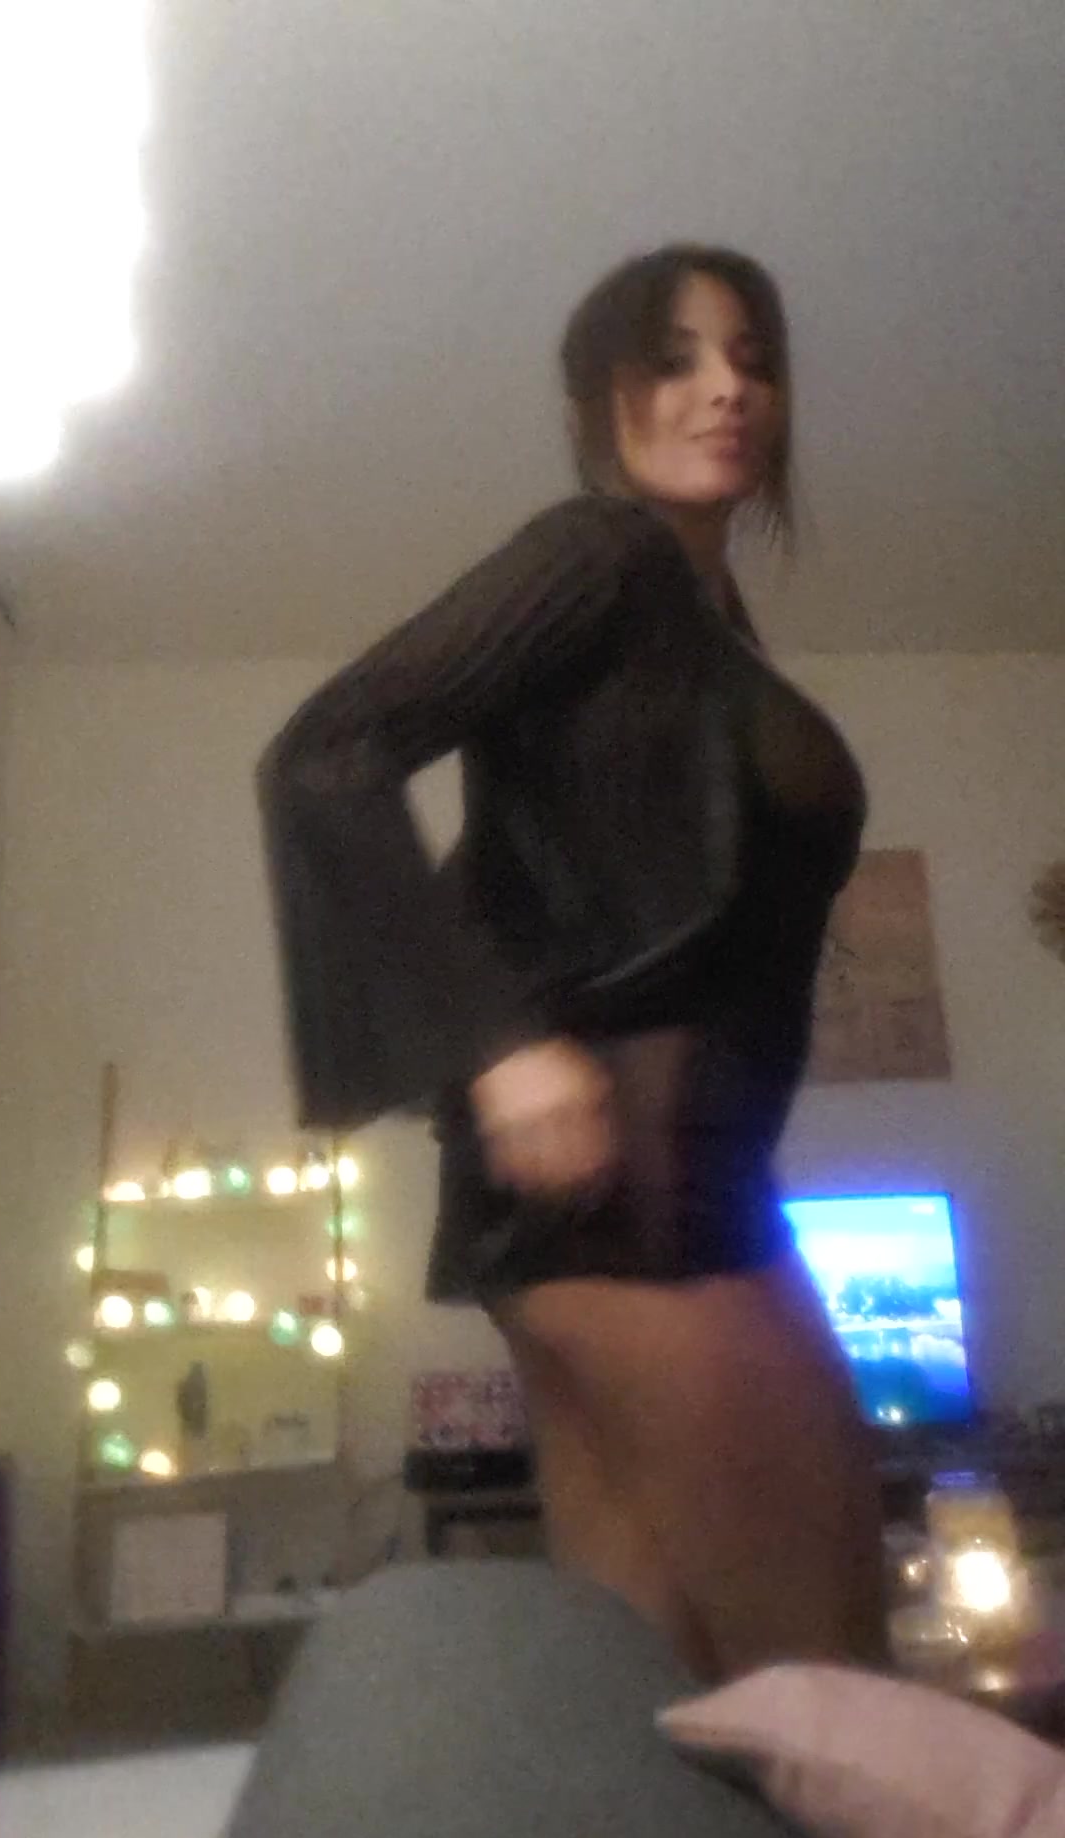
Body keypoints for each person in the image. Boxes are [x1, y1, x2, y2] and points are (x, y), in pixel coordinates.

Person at [258, 243, 886, 1678]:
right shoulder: (598, 557)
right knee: (834, 1690)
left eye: (753, 360)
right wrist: (494, 1043)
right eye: (677, 358)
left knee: (672, 1690)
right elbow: (325, 757)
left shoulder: (699, 625)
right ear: (604, 397)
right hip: (641, 1188)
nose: (727, 389)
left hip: (644, 1188)